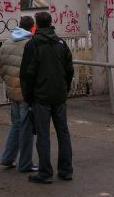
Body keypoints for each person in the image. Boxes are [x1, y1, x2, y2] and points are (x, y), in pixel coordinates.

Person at [20, 11, 74, 184]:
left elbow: (27, 74)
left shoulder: (33, 45)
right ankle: (66, 170)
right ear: (50, 23)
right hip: (59, 95)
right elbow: (69, 69)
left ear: (37, 24)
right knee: (63, 132)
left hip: (40, 97)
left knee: (43, 135)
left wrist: (28, 97)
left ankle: (45, 172)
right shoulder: (61, 43)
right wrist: (64, 88)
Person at [0, 16, 38, 172]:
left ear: (19, 26)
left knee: (16, 125)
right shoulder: (31, 44)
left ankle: (7, 158)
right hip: (25, 92)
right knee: (27, 128)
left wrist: (8, 83)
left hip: (12, 90)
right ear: (32, 27)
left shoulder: (7, 43)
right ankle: (26, 163)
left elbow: (1, 66)